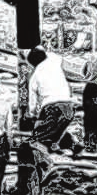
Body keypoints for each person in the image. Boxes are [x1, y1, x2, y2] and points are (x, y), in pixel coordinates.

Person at [25, 46, 81, 185]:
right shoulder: (54, 61)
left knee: (38, 139)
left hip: (52, 107)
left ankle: (47, 165)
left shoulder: (35, 76)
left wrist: (31, 114)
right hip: (69, 107)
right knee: (56, 130)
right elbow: (49, 53)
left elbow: (32, 102)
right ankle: (73, 145)